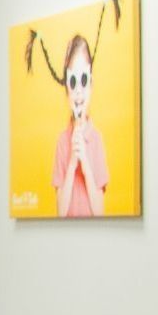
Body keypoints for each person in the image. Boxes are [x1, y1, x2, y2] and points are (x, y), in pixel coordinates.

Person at [52, 33, 107, 217]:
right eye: (73, 83)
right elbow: (60, 212)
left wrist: (84, 161)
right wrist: (72, 163)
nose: (78, 92)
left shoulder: (96, 139)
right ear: (66, 89)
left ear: (91, 85)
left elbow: (99, 211)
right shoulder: (62, 141)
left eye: (83, 81)